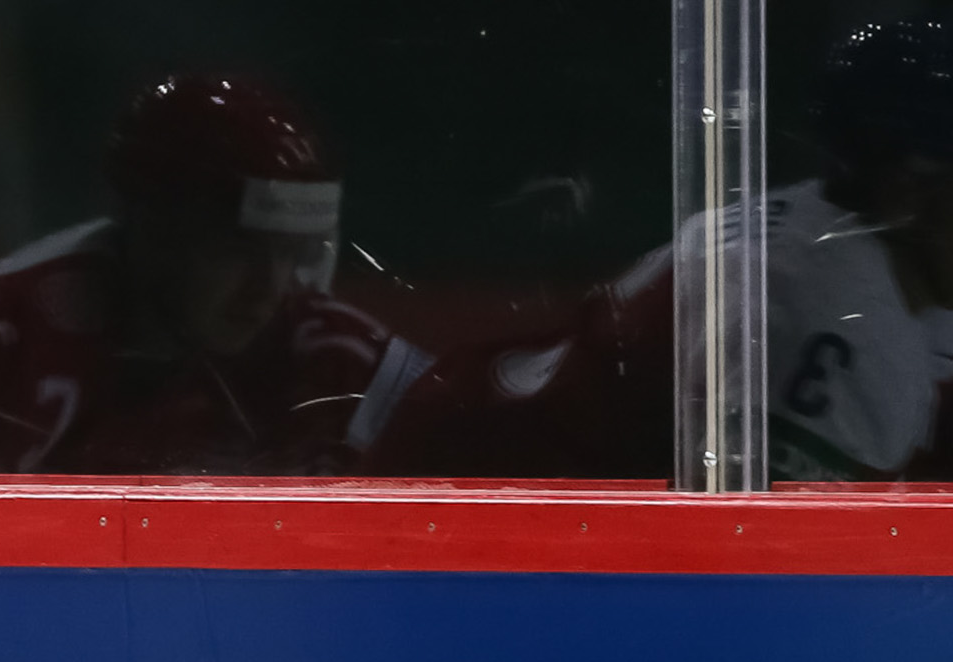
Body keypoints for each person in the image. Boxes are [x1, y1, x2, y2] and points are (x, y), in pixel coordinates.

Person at [368, 17, 953, 481]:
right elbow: (767, 573)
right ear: (908, 186)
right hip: (470, 523)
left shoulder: (819, 234)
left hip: (477, 463)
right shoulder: (834, 319)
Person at [0, 74, 425, 476]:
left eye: (290, 252)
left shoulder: (343, 361)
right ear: (153, 226)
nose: (270, 287)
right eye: (236, 248)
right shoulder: (1, 334)